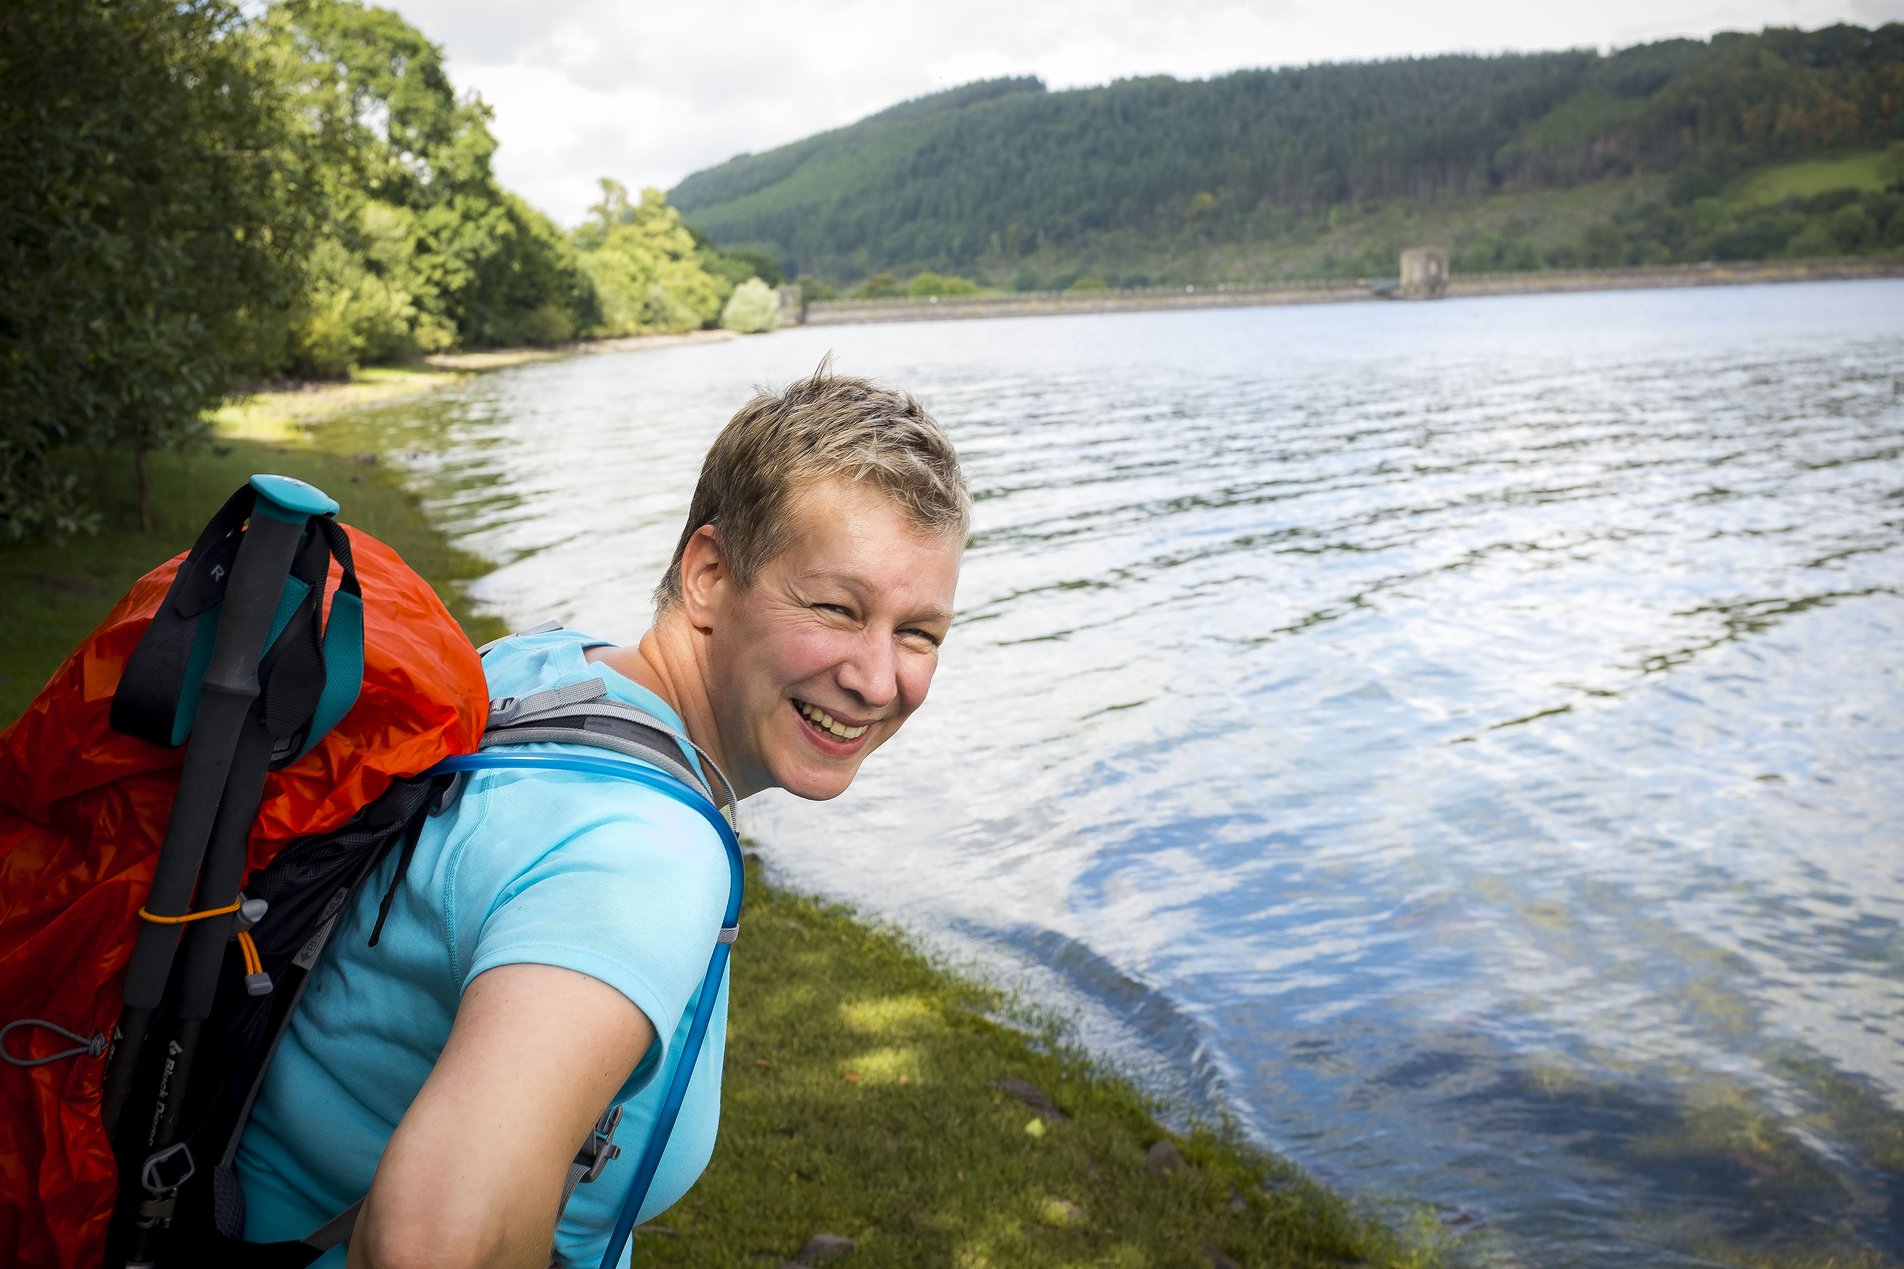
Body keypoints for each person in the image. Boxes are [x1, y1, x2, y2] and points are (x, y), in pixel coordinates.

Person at [232, 368, 969, 1268]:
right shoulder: (642, 855)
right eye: (835, 607)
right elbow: (436, 1236)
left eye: (919, 631)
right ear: (707, 575)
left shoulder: (542, 668)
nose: (879, 677)